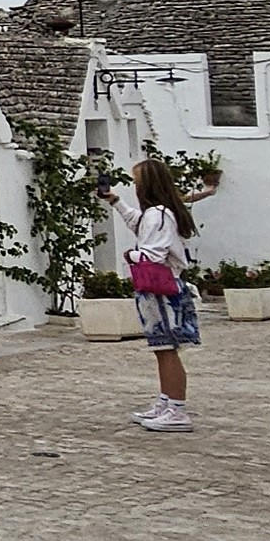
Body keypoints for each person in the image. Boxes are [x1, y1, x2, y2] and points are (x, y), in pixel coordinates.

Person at [110, 155, 200, 431]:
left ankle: (177, 408)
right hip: (158, 288)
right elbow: (141, 225)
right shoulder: (156, 214)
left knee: (167, 348)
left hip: (162, 289)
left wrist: (132, 255)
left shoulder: (159, 214)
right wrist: (116, 203)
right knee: (161, 348)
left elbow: (154, 252)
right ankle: (167, 400)